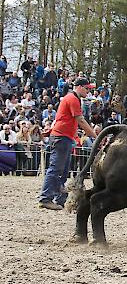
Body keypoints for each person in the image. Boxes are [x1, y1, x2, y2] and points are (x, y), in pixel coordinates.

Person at [38, 77, 96, 211]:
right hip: (61, 137)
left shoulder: (74, 99)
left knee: (63, 171)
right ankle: (45, 198)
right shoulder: (72, 99)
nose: (88, 92)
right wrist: (95, 135)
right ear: (79, 87)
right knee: (55, 169)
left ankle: (60, 200)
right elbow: (80, 120)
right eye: (87, 89)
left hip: (65, 137)